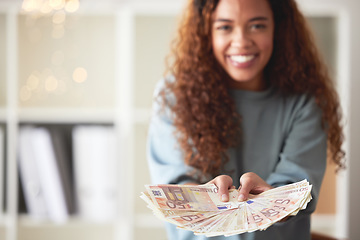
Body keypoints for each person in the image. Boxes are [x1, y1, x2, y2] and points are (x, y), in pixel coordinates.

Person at [146, 0, 345, 239]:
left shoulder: (304, 101)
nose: (241, 41)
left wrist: (271, 198)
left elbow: (298, 186)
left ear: (278, 28)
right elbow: (176, 182)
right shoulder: (173, 96)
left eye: (257, 26)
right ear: (205, 32)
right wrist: (202, 196)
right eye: (224, 27)